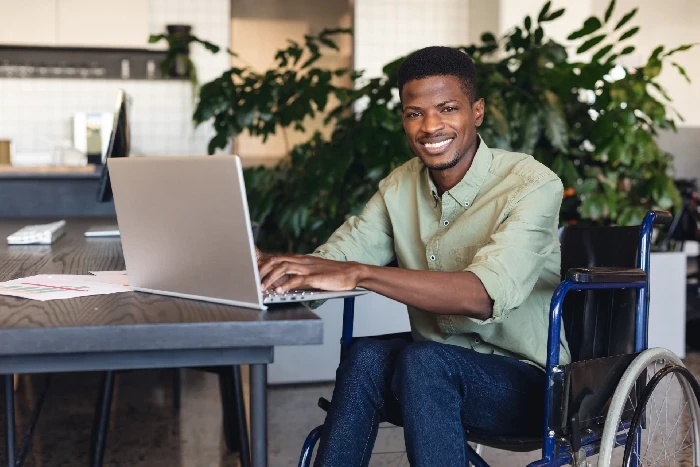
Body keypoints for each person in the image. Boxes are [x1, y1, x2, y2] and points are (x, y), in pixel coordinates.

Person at [257, 46, 570, 467]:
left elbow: (482, 295)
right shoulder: (399, 187)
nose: (430, 126)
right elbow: (338, 258)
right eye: (414, 113)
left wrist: (360, 275)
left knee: (424, 361)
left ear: (477, 111)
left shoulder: (531, 184)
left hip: (531, 387)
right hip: (431, 376)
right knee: (367, 356)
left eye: (447, 108)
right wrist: (270, 272)